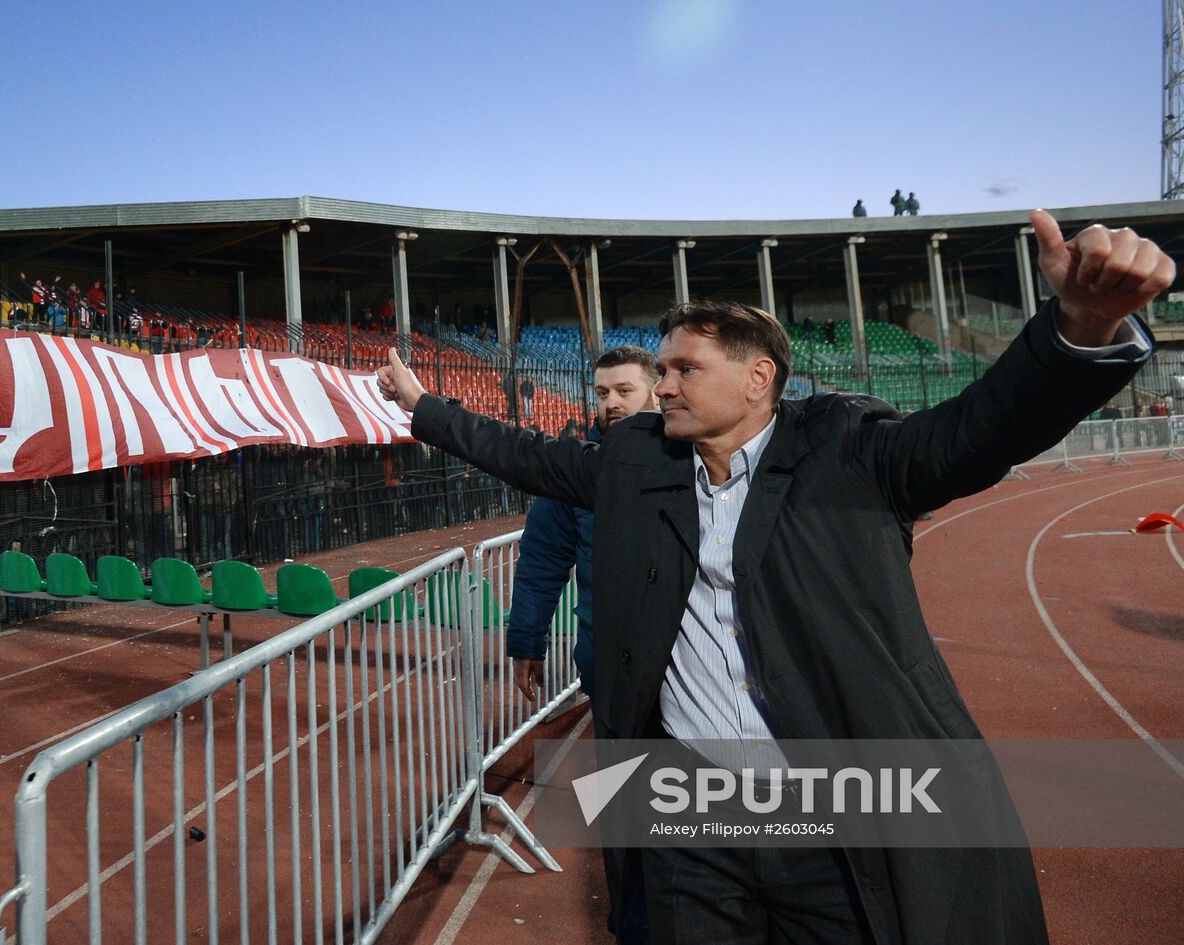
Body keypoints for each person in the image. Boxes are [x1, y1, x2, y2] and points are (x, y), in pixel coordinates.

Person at [377, 209, 1171, 945]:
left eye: (684, 369)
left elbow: (982, 427)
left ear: (759, 378)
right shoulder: (635, 458)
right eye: (661, 370)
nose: (662, 388)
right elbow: (523, 452)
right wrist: (425, 406)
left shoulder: (851, 450)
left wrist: (1080, 324)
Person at [510, 345, 659, 945]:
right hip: (609, 664)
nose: (611, 403)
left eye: (624, 390)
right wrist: (527, 641)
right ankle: (634, 921)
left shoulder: (698, 457)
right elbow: (542, 559)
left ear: (657, 389)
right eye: (601, 393)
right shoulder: (580, 468)